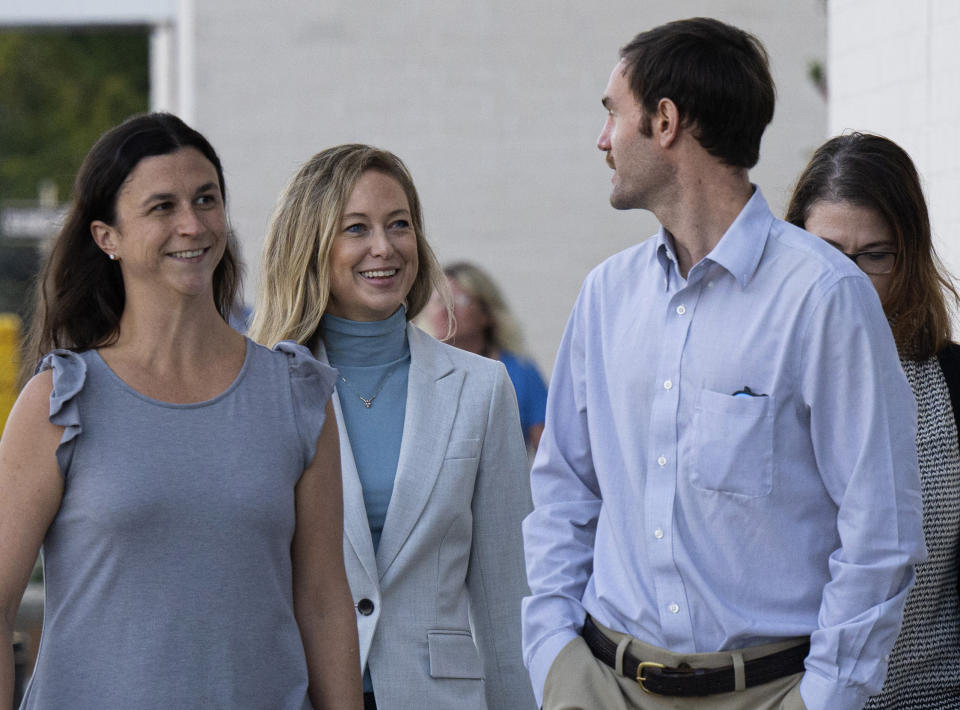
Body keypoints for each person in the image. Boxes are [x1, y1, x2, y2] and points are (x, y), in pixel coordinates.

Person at [521, 18, 925, 710]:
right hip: (599, 684)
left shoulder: (824, 297)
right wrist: (555, 659)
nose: (603, 139)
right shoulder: (604, 298)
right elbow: (564, 492)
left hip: (770, 695)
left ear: (666, 122)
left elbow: (880, 529)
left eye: (613, 114)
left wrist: (823, 699)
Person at [0, 113, 362, 710]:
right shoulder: (60, 401)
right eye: (162, 207)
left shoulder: (296, 395)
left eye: (206, 199)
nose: (192, 225)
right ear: (105, 237)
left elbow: (323, 601)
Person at [249, 144, 536, 710]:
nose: (384, 247)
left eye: (399, 225)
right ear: (313, 245)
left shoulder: (482, 388)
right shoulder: (261, 389)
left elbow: (508, 597)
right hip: (298, 693)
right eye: (356, 228)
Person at [786, 132, 960, 709]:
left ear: (907, 256)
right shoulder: (762, 375)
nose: (851, 279)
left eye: (875, 255)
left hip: (933, 694)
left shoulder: (950, 379)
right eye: (829, 253)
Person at [423, 261, 548, 452]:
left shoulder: (521, 371)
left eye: (458, 300)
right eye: (437, 300)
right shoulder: (417, 369)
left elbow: (548, 454)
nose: (445, 310)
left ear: (487, 314)